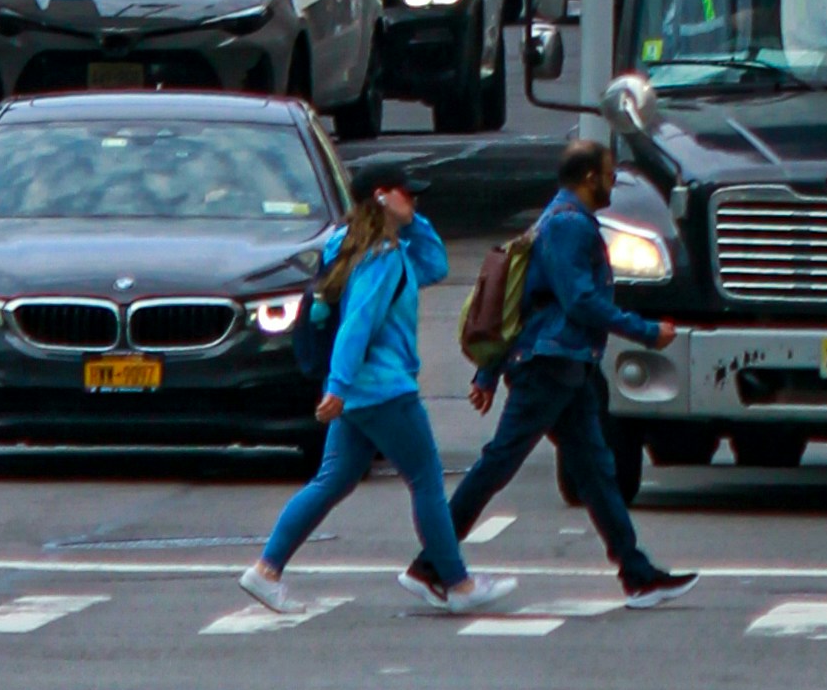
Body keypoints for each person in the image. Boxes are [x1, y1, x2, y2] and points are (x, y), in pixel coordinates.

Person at [238, 168, 508, 617]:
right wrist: (339, 386)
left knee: (334, 480)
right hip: (383, 389)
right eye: (409, 196)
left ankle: (267, 570)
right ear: (383, 198)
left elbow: (434, 265)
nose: (416, 203)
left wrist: (411, 222)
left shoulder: (353, 247)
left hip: (361, 392)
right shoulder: (381, 256)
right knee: (424, 479)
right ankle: (457, 583)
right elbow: (357, 325)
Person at [450, 137, 698, 603]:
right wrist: (646, 332)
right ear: (589, 178)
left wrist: (488, 372)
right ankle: (435, 563)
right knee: (501, 461)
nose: (612, 183)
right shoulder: (570, 227)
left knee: (597, 472)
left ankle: (637, 574)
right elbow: (580, 301)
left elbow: (522, 304)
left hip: (566, 365)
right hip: (550, 364)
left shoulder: (556, 218)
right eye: (608, 174)